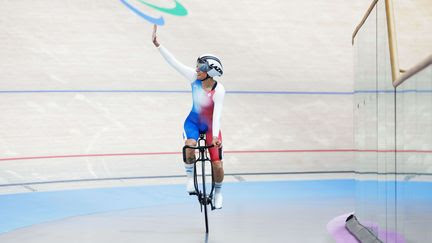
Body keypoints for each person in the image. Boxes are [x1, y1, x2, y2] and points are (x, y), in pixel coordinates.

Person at [151, 25, 225, 209]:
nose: (196, 68)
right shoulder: (193, 78)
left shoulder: (219, 90)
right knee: (189, 147)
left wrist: (215, 137)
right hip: (192, 122)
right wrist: (158, 45)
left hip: (210, 127)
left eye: (201, 66)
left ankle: (218, 193)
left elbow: (217, 115)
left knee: (217, 165)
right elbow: (174, 62)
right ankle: (189, 179)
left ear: (211, 71)